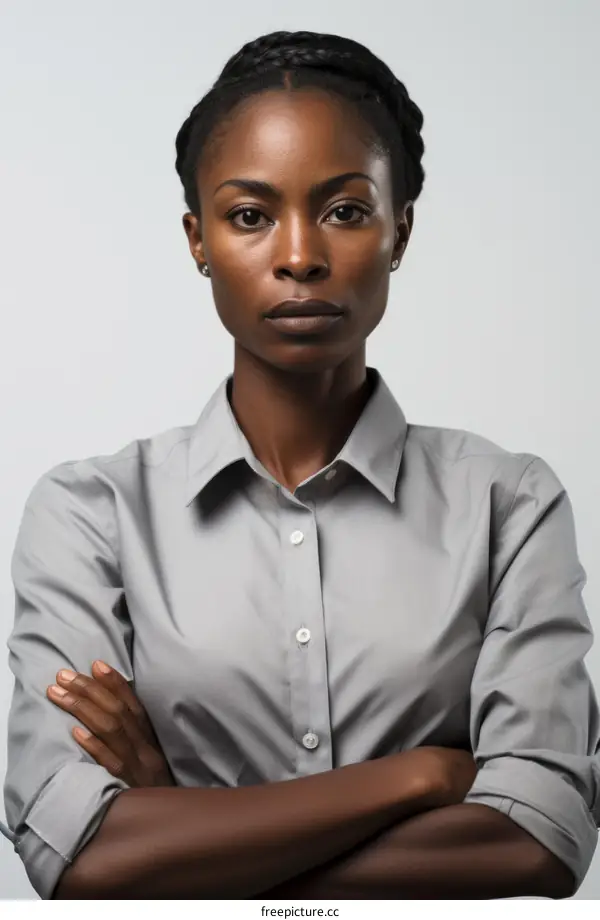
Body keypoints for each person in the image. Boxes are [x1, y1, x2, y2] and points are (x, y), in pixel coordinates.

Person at [2, 29, 599, 900]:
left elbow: (539, 840)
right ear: (197, 238)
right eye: (249, 215)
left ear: (400, 231)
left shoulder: (511, 503)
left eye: (345, 210)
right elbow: (78, 854)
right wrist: (426, 775)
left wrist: (183, 823)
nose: (298, 255)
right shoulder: (89, 512)